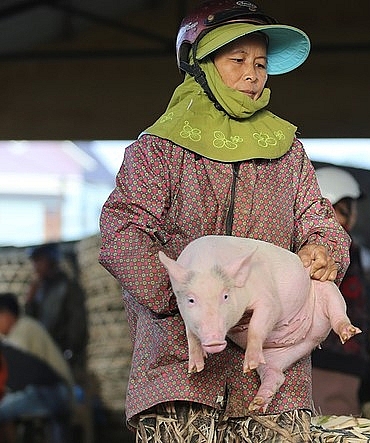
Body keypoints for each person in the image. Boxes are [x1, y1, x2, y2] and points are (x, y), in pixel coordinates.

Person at [97, 1, 350, 441]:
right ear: (201, 66)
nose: (253, 75)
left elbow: (320, 221)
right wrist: (191, 298)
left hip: (274, 382)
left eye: (261, 63)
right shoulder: (159, 151)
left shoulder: (288, 153)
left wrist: (325, 250)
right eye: (237, 61)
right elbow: (122, 233)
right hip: (182, 372)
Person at [311, 166, 370, 416]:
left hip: (324, 354)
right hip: (335, 357)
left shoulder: (311, 246)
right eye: (350, 206)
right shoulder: (336, 246)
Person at [0, 292, 74, 443]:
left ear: (7, 315)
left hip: (55, 391)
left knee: (3, 411)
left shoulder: (23, 329)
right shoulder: (22, 328)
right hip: (51, 390)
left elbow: (14, 376)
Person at [25, 243, 88, 384]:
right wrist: (30, 302)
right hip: (45, 353)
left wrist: (70, 354)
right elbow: (32, 322)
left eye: (39, 261)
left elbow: (77, 324)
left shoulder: (68, 287)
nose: (35, 266)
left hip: (63, 354)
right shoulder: (40, 289)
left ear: (51, 260)